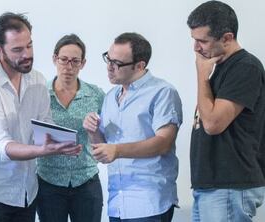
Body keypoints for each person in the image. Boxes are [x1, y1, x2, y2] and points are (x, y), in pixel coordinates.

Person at [0, 12, 82, 222]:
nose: (27, 54)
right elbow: (1, 147)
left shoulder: (37, 79)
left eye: (29, 45)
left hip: (27, 192)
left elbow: (44, 123)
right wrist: (42, 150)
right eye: (17, 50)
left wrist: (62, 142)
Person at [83, 32, 182, 222]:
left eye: (117, 63)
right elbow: (105, 152)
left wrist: (117, 150)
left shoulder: (162, 92)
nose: (109, 68)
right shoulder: (111, 96)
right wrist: (93, 131)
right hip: (117, 201)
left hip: (149, 200)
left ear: (140, 65)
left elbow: (163, 143)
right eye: (108, 59)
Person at [187, 1, 265, 221]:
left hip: (229, 185)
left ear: (227, 38)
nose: (196, 48)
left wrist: (201, 76)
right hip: (212, 186)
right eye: (194, 39)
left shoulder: (245, 66)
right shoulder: (220, 68)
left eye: (202, 41)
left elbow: (212, 124)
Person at [36, 34, 104, 222]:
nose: (69, 67)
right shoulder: (39, 94)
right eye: (64, 60)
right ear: (54, 59)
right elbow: (27, 135)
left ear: (83, 63)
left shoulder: (96, 95)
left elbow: (106, 144)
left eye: (75, 61)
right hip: (48, 181)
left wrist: (94, 131)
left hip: (86, 180)